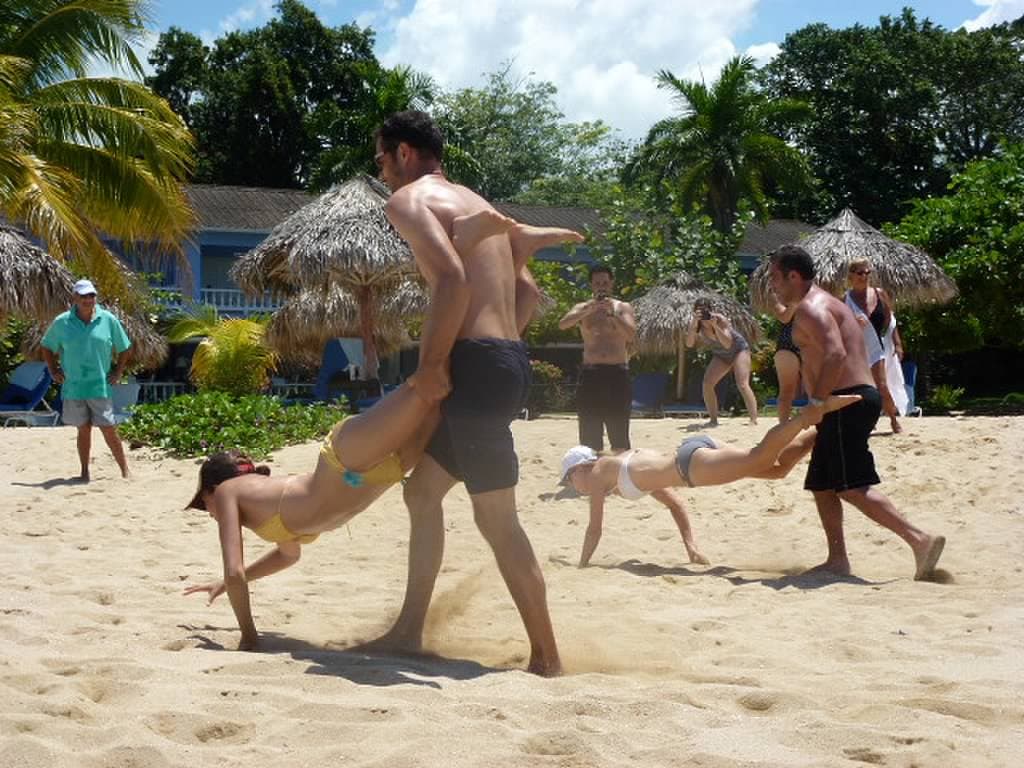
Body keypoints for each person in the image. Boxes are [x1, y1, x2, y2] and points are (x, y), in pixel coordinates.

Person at [181, 209, 570, 652]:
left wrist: (248, 636)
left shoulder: (232, 495)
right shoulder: (269, 518)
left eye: (203, 502)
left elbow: (234, 568)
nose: (208, 511)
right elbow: (285, 557)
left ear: (215, 488)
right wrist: (225, 583)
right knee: (452, 392)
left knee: (431, 378)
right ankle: (520, 269)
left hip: (346, 457)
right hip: (386, 469)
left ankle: (464, 247)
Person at [365, 110, 583, 676]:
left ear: (405, 154)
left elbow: (451, 281)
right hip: (502, 360)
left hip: (476, 367)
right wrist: (495, 351)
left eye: (382, 155)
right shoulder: (472, 200)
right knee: (422, 494)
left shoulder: (410, 203)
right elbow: (527, 295)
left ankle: (547, 658)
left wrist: (433, 364)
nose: (380, 166)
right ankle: (410, 629)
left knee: (497, 520)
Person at [768, 245, 945, 580]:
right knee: (821, 483)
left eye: (776, 277)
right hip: (851, 398)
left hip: (844, 400)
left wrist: (818, 401)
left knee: (851, 487)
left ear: (793, 275)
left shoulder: (811, 308)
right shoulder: (825, 301)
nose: (773, 284)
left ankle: (920, 540)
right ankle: (837, 559)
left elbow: (834, 354)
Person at [561, 395, 861, 568]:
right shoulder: (621, 467)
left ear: (580, 468)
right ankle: (825, 428)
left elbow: (594, 529)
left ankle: (809, 415)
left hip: (691, 466)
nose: (574, 487)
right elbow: (675, 504)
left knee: (759, 456)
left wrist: (582, 565)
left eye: (570, 479)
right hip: (692, 452)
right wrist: (690, 548)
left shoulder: (600, 472)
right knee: (776, 469)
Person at [40, 279, 132, 480]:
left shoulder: (108, 319)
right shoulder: (62, 322)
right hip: (74, 387)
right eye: (83, 296)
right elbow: (46, 345)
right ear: (75, 298)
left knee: (108, 428)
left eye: (91, 295)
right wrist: (53, 369)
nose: (88, 299)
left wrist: (118, 372)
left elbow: (125, 347)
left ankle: (125, 469)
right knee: (83, 430)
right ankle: (84, 472)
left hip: (100, 385)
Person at [558, 264, 637, 453]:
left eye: (605, 282)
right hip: (591, 372)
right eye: (597, 283)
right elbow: (563, 324)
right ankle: (592, 473)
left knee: (618, 428)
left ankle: (620, 472)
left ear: (611, 284)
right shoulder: (583, 308)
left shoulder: (622, 307)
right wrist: (588, 310)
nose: (601, 286)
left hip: (617, 372)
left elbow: (631, 334)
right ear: (591, 285)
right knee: (589, 427)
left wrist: (612, 315)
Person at [843, 260, 902, 433]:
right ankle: (868, 420)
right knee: (862, 388)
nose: (864, 276)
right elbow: (838, 325)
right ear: (851, 275)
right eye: (860, 273)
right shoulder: (845, 299)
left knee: (882, 385)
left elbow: (891, 321)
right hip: (855, 349)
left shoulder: (879, 294)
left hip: (876, 346)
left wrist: (897, 343)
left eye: (867, 273)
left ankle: (893, 419)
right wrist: (853, 322)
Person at [685, 298, 758, 426]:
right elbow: (689, 344)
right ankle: (713, 419)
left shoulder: (720, 319)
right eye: (699, 310)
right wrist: (693, 323)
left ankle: (753, 419)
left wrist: (714, 326)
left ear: (711, 310)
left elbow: (728, 344)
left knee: (742, 384)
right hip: (721, 355)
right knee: (707, 383)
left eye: (705, 309)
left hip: (738, 350)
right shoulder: (696, 325)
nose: (702, 313)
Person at [770, 298, 802, 423]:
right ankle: (783, 426)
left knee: (814, 389)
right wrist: (794, 302)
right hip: (788, 344)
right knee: (786, 391)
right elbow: (784, 318)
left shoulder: (813, 293)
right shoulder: (780, 298)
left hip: (810, 344)